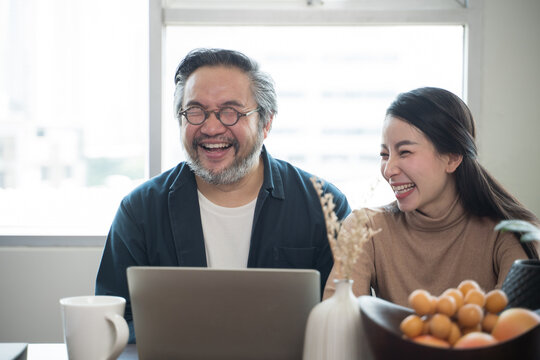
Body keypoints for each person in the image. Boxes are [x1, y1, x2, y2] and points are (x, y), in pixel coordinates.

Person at [95, 48, 350, 343]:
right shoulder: (140, 210)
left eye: (231, 112)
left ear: (265, 123)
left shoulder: (324, 205)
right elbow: (114, 320)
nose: (211, 127)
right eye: (195, 111)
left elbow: (341, 321)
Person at [323, 87, 539, 306]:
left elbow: (514, 329)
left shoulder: (509, 233)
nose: (388, 170)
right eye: (384, 155)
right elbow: (336, 320)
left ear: (452, 158)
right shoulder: (366, 228)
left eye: (405, 152)